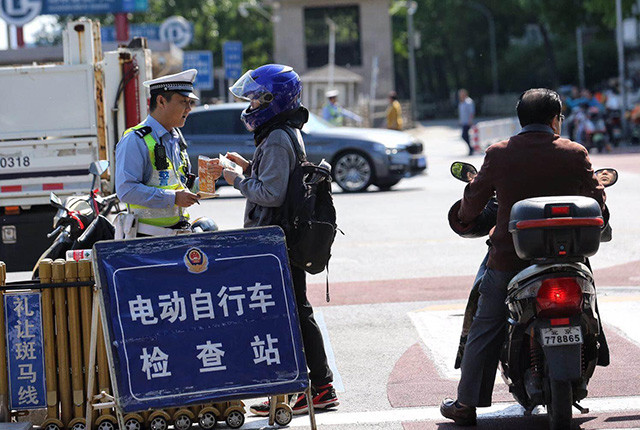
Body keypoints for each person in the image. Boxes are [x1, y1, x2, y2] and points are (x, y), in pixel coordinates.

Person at [441, 88, 606, 426]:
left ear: (521, 119)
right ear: (555, 119)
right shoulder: (575, 152)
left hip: (510, 259)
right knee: (588, 305)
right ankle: (597, 348)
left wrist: (465, 215)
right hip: (569, 256)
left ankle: (466, 403)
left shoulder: (499, 153)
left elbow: (474, 201)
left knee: (486, 323)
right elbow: (597, 198)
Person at [221, 64, 339, 416]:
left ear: (275, 99)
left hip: (277, 241)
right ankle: (296, 389)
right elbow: (280, 178)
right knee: (294, 311)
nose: (252, 104)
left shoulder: (275, 137)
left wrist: (235, 180)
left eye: (258, 98)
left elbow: (270, 193)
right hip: (286, 237)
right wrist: (247, 166)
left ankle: (319, 387)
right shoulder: (285, 131)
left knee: (294, 313)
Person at [115, 69, 222, 236]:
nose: (188, 109)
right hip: (146, 241)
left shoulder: (175, 138)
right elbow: (126, 190)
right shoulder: (135, 140)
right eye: (183, 102)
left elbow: (181, 188)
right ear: (161, 101)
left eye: (190, 103)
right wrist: (173, 198)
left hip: (178, 236)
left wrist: (206, 180)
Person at [458, 89, 475, 155]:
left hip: (468, 122)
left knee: (464, 135)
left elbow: (472, 112)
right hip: (463, 122)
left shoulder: (469, 102)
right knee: (466, 136)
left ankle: (471, 148)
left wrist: (470, 120)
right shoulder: (461, 102)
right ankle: (471, 148)